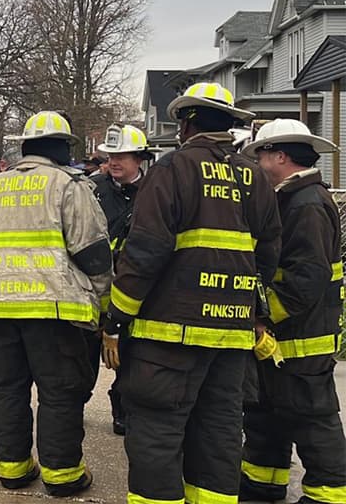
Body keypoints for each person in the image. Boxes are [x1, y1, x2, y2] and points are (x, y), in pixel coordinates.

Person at [105, 82, 281, 504]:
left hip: (170, 336)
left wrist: (115, 319)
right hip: (231, 338)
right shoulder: (254, 176)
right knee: (219, 431)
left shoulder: (174, 169)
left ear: (185, 124)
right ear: (231, 126)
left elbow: (145, 251)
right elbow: (269, 252)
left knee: (157, 432)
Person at [0, 111, 111, 496]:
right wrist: (101, 297)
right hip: (51, 308)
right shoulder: (68, 185)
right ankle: (63, 475)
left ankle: (12, 468)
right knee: (59, 391)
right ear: (61, 148)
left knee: (8, 386)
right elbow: (92, 250)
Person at [238, 119, 346, 504]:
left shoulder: (308, 203)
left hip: (303, 337)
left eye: (261, 155)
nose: (257, 165)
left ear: (280, 156)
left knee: (312, 418)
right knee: (267, 413)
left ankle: (328, 494)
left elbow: (306, 278)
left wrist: (265, 317)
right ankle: (262, 483)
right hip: (283, 337)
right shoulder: (289, 198)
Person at [90, 123, 154, 436]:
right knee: (84, 352)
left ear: (139, 158)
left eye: (123, 156)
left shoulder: (155, 191)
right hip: (93, 285)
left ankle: (123, 405)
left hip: (134, 286)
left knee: (131, 354)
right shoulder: (93, 188)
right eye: (111, 155)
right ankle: (74, 402)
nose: (115, 161)